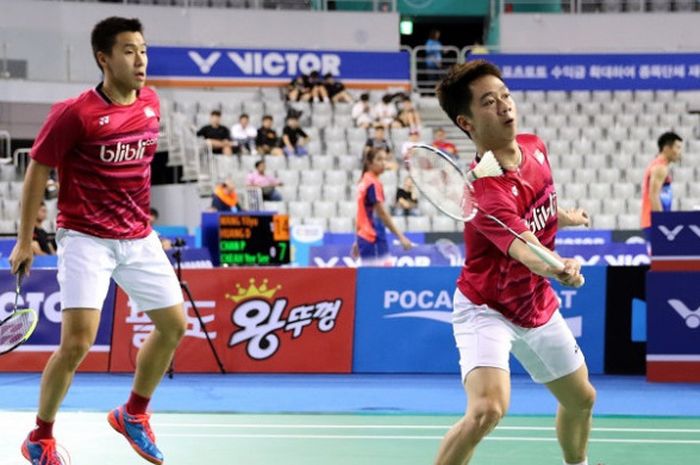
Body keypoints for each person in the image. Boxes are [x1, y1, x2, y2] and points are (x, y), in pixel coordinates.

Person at [10, 17, 186, 465]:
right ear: (103, 58)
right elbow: (38, 171)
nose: (140, 58)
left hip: (138, 236)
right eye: (129, 50)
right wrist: (25, 239)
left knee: (173, 326)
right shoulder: (74, 114)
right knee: (76, 344)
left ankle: (133, 414)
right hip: (86, 237)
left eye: (143, 49)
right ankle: (40, 437)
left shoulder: (151, 102)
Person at [433, 59, 593, 465]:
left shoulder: (535, 146)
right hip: (486, 307)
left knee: (581, 399)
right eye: (489, 101)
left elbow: (538, 210)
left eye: (505, 95)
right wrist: (560, 267)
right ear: (467, 122)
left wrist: (565, 217)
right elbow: (524, 248)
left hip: (534, 304)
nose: (505, 105)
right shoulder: (485, 193)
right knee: (487, 410)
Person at [352, 148, 413, 265]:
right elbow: (383, 214)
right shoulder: (373, 183)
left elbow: (360, 214)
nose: (383, 163)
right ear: (369, 163)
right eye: (379, 159)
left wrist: (357, 240)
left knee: (374, 278)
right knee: (379, 279)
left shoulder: (364, 180)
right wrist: (401, 237)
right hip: (373, 238)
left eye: (385, 159)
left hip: (365, 238)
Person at [640, 131, 683, 242]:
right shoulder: (660, 167)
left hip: (652, 222)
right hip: (654, 224)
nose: (679, 152)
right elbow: (653, 196)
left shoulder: (658, 165)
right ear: (666, 148)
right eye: (677, 147)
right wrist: (661, 224)